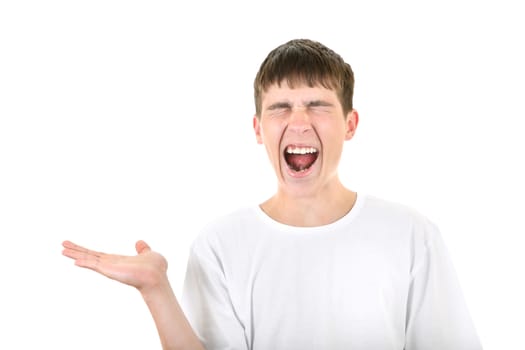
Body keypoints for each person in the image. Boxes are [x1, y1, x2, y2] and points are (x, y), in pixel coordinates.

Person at [62, 38, 483, 350]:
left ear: (351, 124)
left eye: (317, 104)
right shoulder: (219, 245)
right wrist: (156, 290)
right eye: (280, 108)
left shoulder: (411, 234)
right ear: (258, 128)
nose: (298, 122)